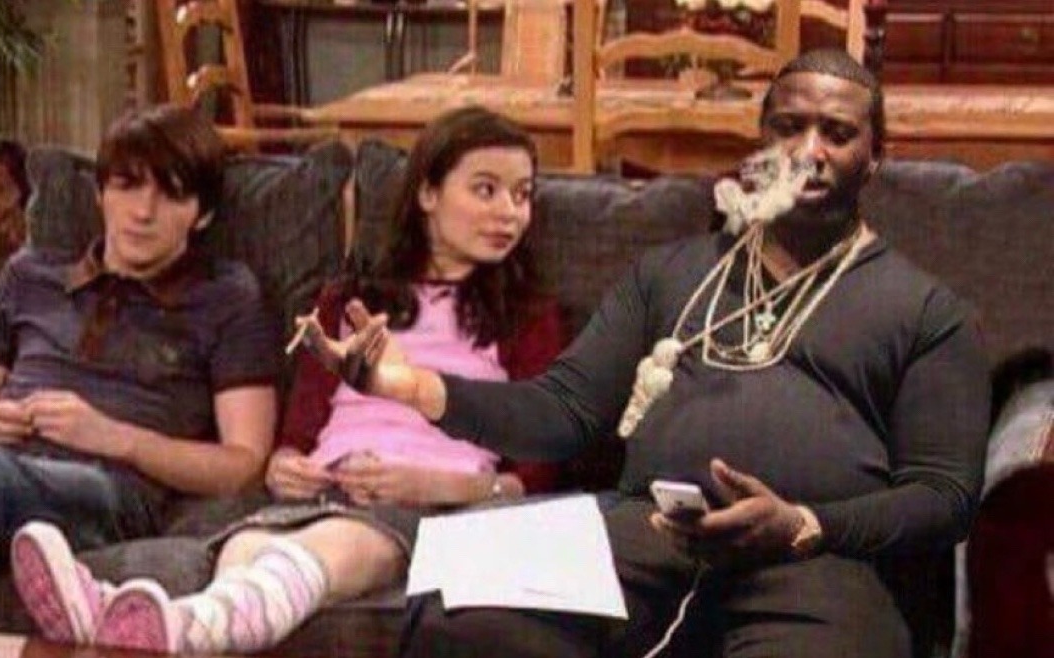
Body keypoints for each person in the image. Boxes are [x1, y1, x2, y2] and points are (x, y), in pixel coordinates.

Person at [300, 50, 992, 658]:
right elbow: (561, 411)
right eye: (789, 126)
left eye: (837, 134)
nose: (809, 149)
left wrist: (806, 524)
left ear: (875, 156)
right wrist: (410, 387)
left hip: (819, 561)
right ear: (761, 137)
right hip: (649, 534)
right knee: (462, 619)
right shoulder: (669, 274)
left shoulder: (928, 313)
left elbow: (944, 497)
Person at [10, 105, 565, 653]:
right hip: (325, 489)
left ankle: (148, 623)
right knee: (245, 550)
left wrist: (436, 486)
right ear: (428, 193)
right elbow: (297, 433)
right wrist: (286, 465)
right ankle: (168, 624)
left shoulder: (525, 317)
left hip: (429, 502)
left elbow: (539, 469)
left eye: (522, 195)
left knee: (335, 547)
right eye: (486, 190)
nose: (509, 213)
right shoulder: (347, 301)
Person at [0, 104, 279, 582]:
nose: (143, 212)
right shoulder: (28, 275)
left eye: (171, 195)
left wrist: (117, 438)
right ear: (100, 194)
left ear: (203, 215)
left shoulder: (227, 296)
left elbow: (244, 466)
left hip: (105, 491)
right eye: (127, 187)